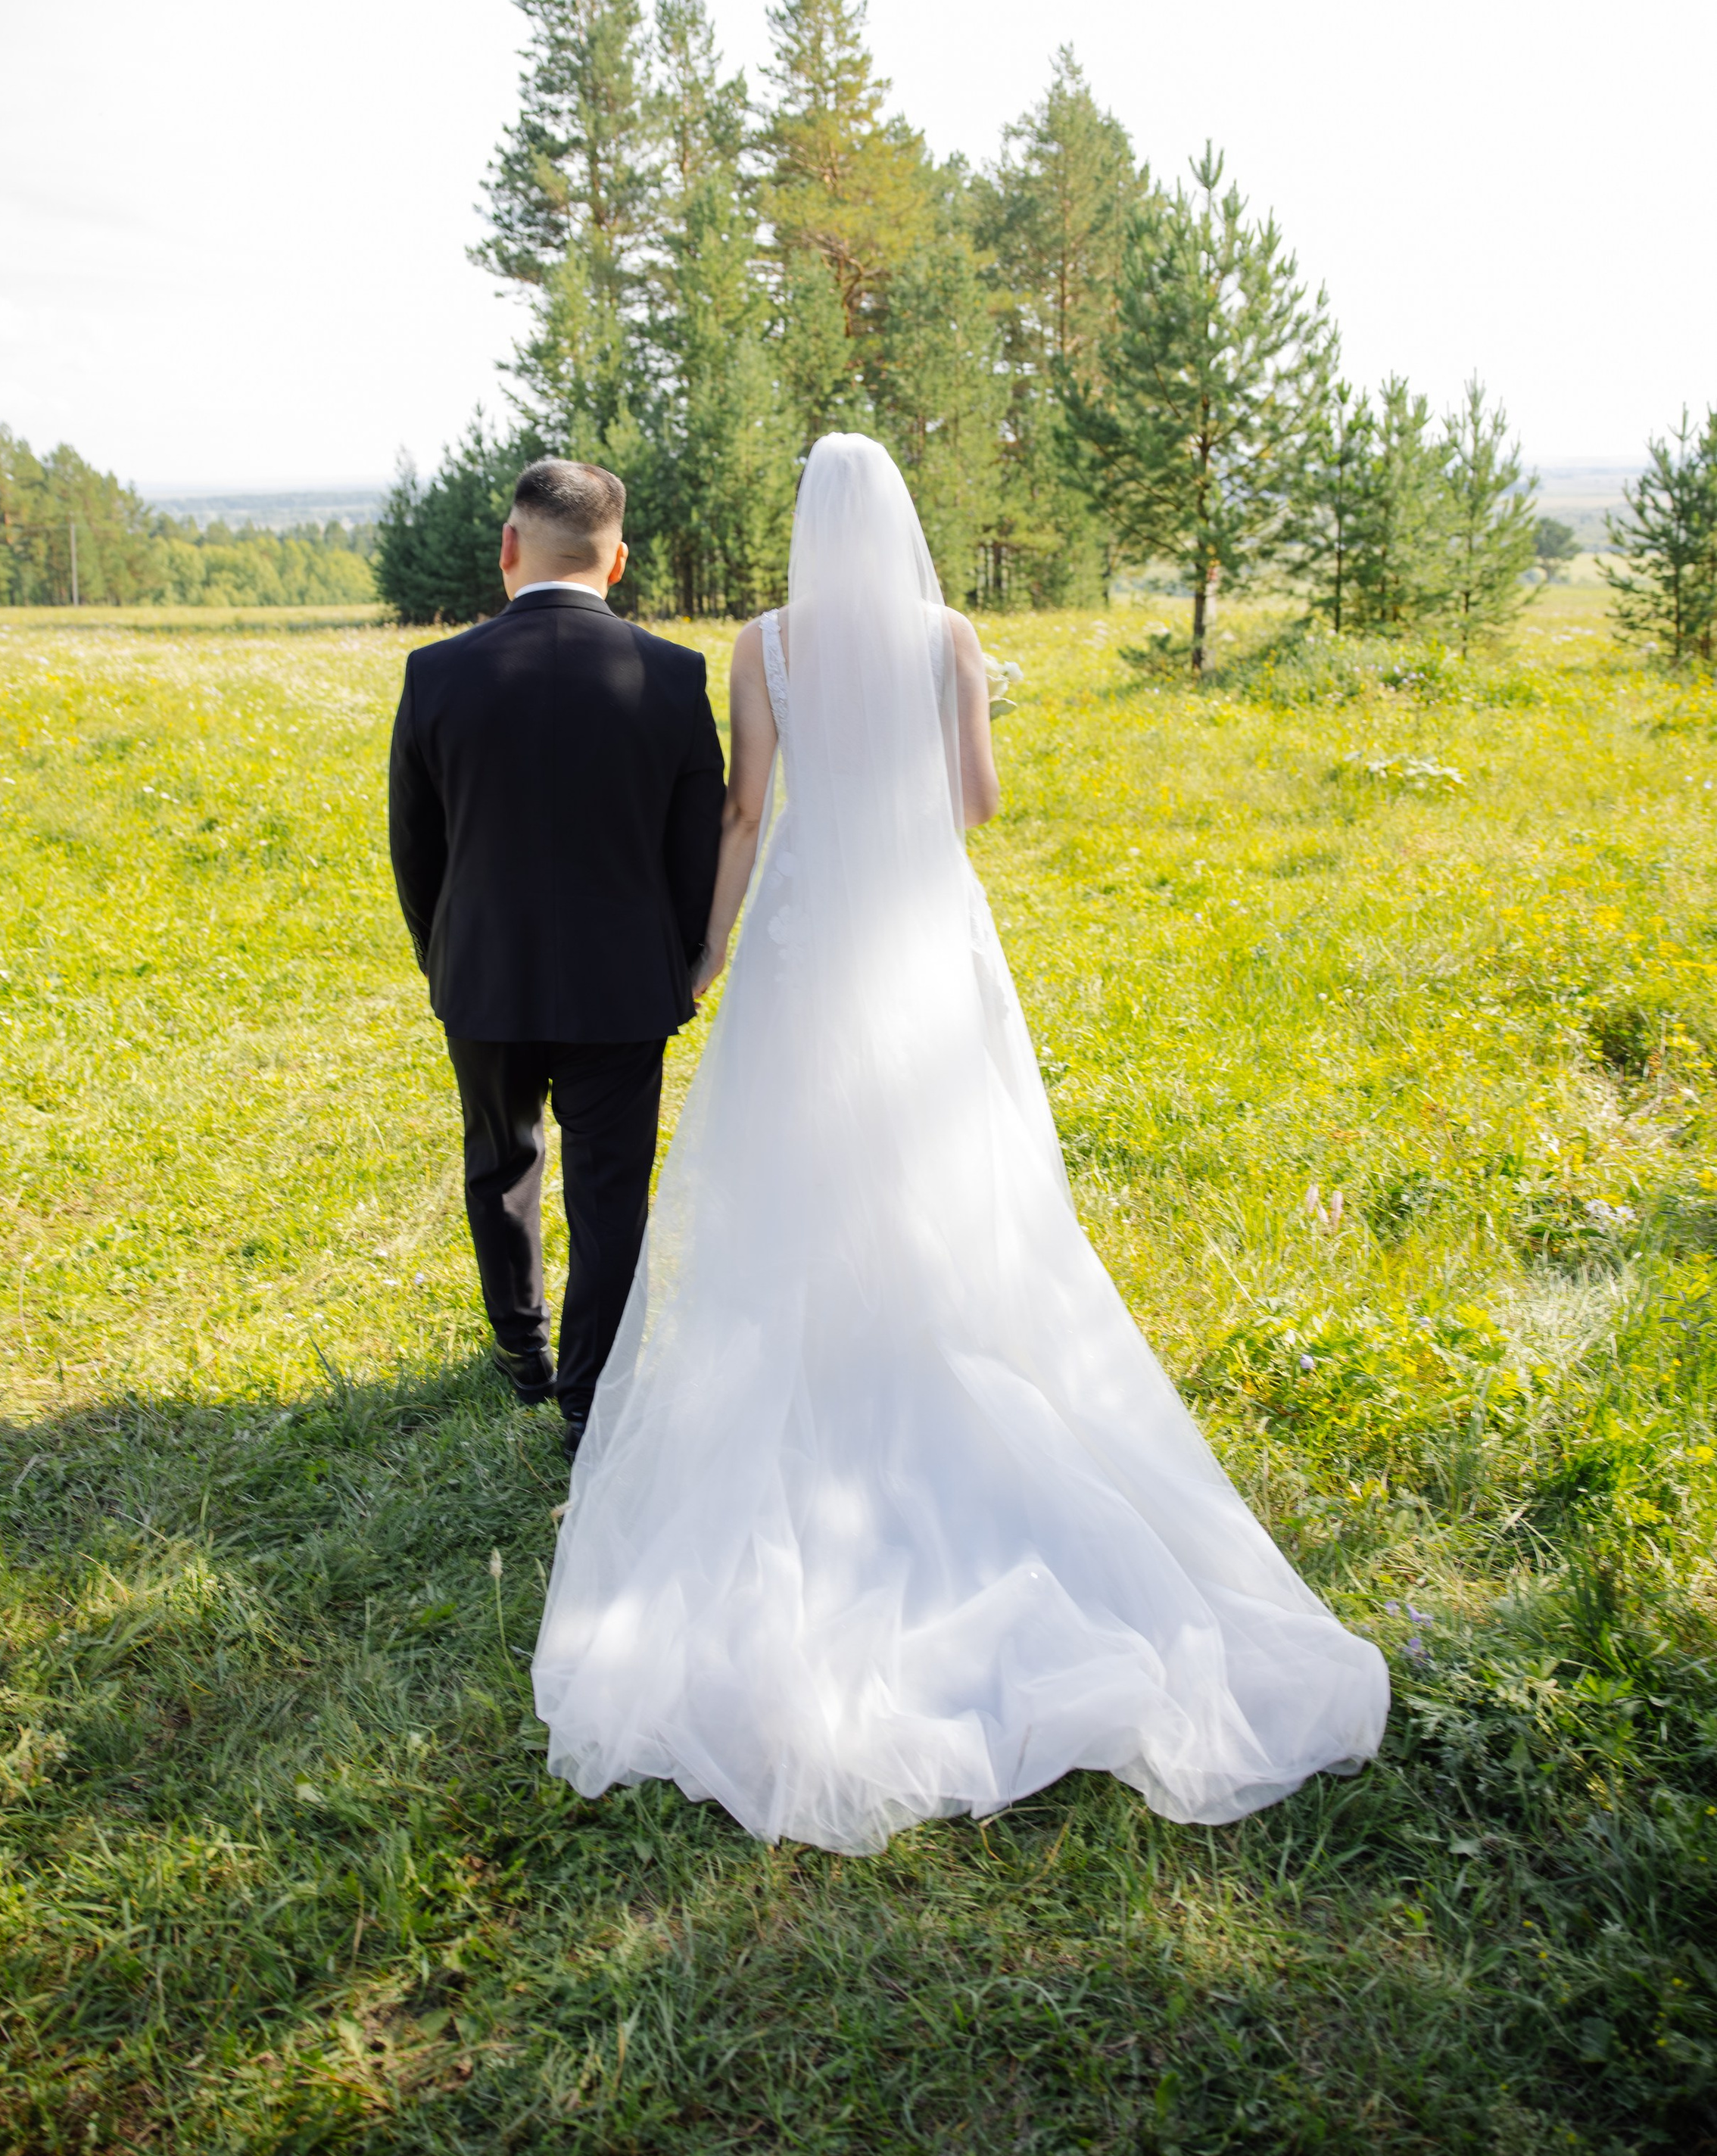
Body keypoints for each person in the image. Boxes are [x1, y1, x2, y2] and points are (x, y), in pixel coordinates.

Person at [533, 433, 1388, 1852]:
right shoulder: (949, 633)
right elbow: (979, 802)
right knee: (943, 1145)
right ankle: (931, 1319)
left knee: (799, 1157)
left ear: (809, 532)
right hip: (923, 921)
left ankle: (832, 1340)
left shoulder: (764, 645)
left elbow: (745, 811)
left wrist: (710, 949)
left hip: (812, 916)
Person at [387, 457, 724, 1457]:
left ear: (508, 550)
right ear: (617, 563)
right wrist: (675, 959)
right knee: (613, 1186)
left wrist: (441, 951)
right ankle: (590, 1396)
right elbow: (694, 846)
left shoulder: (438, 672)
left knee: (500, 1160)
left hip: (484, 968)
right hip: (625, 979)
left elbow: (416, 844)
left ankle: (521, 1352)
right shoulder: (671, 676)